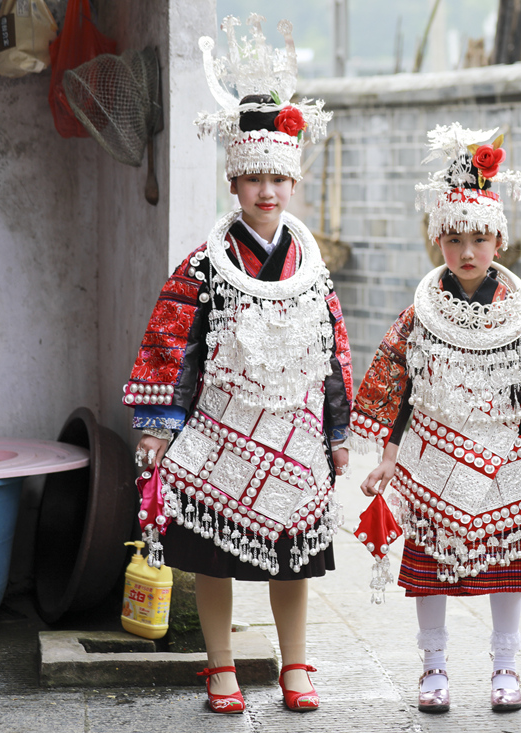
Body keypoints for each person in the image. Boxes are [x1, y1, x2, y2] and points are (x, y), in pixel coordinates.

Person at [124, 18, 350, 715]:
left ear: (292, 179)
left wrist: (338, 433)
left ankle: (297, 664)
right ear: (235, 179)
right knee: (210, 557)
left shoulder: (312, 270)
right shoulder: (203, 265)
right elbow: (172, 344)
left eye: (278, 176)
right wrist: (159, 425)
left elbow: (334, 354)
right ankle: (219, 665)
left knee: (295, 556)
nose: (267, 190)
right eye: (254, 176)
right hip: (220, 433)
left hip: (293, 432)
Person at [351, 124, 521, 714]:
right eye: (453, 239)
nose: (466, 252)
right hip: (429, 456)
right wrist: (388, 456)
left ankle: (505, 666)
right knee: (428, 571)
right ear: (436, 241)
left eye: (478, 238)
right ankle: (434, 669)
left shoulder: (516, 314)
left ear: (498, 239)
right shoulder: (418, 314)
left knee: (508, 569)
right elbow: (394, 386)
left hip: (502, 457)